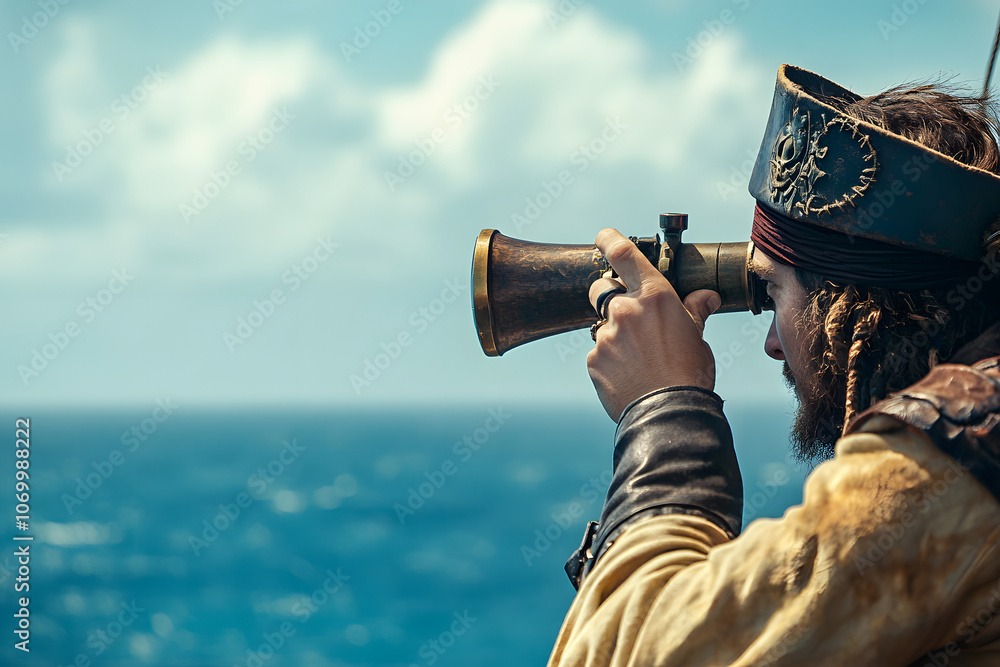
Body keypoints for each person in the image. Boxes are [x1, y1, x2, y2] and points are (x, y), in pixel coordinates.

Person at [548, 65, 1000, 666]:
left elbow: (640, 652)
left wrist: (665, 407)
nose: (772, 345)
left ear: (850, 308)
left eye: (775, 293)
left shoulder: (952, 458)